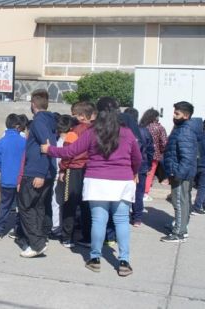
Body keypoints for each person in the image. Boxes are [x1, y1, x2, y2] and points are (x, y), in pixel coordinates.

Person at [42, 97, 141, 276]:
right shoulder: (127, 133)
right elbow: (137, 158)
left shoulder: (92, 132)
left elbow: (70, 151)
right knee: (121, 221)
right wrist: (134, 172)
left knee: (99, 221)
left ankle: (95, 258)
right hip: (122, 180)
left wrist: (49, 150)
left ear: (98, 112)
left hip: (97, 181)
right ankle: (124, 261)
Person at [14, 89, 57, 258]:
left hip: (36, 172)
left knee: (25, 207)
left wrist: (40, 173)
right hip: (45, 171)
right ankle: (39, 238)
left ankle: (37, 244)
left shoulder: (39, 122)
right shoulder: (49, 120)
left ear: (33, 104)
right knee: (38, 207)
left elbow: (46, 147)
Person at [59, 101, 94, 248]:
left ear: (81, 116)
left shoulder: (74, 132)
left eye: (74, 114)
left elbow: (67, 153)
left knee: (70, 203)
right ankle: (88, 237)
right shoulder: (97, 130)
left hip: (74, 169)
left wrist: (62, 169)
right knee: (87, 204)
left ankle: (67, 237)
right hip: (91, 170)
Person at [161, 101, 197, 243]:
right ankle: (181, 227)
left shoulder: (184, 131)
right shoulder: (181, 128)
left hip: (180, 173)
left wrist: (178, 174)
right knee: (183, 201)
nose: (174, 116)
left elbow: (187, 157)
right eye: (174, 112)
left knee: (179, 202)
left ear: (186, 116)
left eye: (177, 113)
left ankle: (179, 233)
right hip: (179, 171)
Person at [0, 114, 26, 240]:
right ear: (18, 126)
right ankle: (18, 230)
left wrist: (4, 170)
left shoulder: (1, 142)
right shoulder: (24, 142)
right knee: (21, 207)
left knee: (4, 205)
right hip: (20, 180)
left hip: (6, 179)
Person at [123, 108, 154, 227]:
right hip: (141, 165)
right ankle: (137, 218)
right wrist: (149, 164)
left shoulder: (122, 130)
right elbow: (150, 149)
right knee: (139, 193)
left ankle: (124, 215)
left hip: (125, 166)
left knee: (124, 193)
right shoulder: (144, 131)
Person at [140, 108, 168, 200]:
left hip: (141, 153)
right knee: (150, 174)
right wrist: (162, 151)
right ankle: (145, 192)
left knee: (141, 173)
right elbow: (164, 143)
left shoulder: (142, 126)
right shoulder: (160, 128)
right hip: (154, 154)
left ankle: (139, 190)